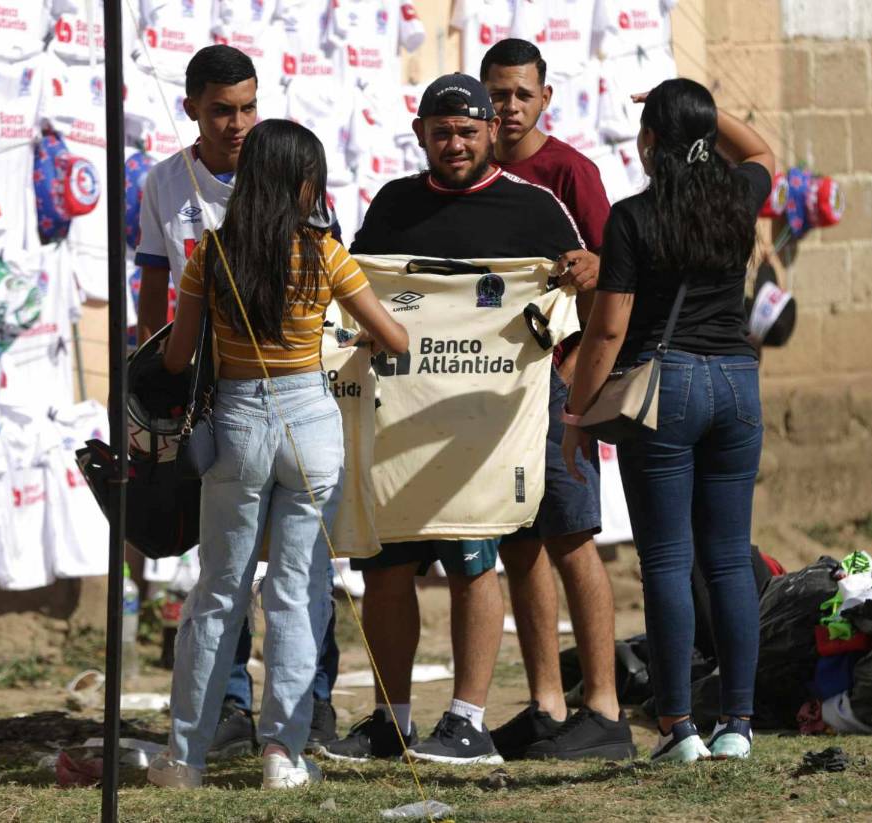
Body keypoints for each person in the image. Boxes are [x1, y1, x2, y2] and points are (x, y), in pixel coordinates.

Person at [323, 73, 588, 766]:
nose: (455, 143)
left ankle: (469, 720)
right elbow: (359, 293)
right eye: (441, 131)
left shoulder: (536, 208)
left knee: (475, 560)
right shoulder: (393, 205)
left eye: (468, 131)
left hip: (485, 430)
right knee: (386, 570)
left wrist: (551, 384)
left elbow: (580, 301)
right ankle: (392, 719)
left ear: (492, 133)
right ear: (420, 135)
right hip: (399, 420)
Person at [147, 119, 409, 789]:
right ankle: (282, 755)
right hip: (312, 425)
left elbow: (176, 357)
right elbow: (395, 337)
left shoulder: (213, 251)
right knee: (298, 591)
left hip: (236, 425)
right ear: (305, 182)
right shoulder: (324, 252)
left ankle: (186, 756)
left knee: (218, 593)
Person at [134, 44, 343, 757]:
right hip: (217, 403)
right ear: (191, 106)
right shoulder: (163, 184)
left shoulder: (288, 167)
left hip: (296, 398)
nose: (238, 123)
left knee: (300, 573)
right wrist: (157, 393)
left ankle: (304, 716)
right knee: (225, 571)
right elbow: (154, 303)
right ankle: (225, 714)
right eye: (222, 110)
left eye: (249, 106)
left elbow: (336, 294)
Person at [561, 78, 775, 763]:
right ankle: (738, 723)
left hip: (669, 386)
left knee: (667, 561)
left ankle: (680, 727)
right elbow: (763, 149)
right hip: (739, 382)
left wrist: (577, 412)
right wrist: (710, 111)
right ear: (708, 141)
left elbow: (608, 329)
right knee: (730, 560)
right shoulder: (737, 201)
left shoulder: (632, 217)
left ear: (648, 143)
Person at [477, 39, 633, 761]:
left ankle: (602, 707)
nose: (508, 107)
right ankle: (545, 703)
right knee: (518, 544)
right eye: (496, 94)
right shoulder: (471, 172)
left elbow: (618, 276)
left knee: (572, 538)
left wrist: (582, 374)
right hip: (492, 394)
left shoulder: (571, 171)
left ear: (545, 97)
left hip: (560, 386)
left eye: (519, 94)